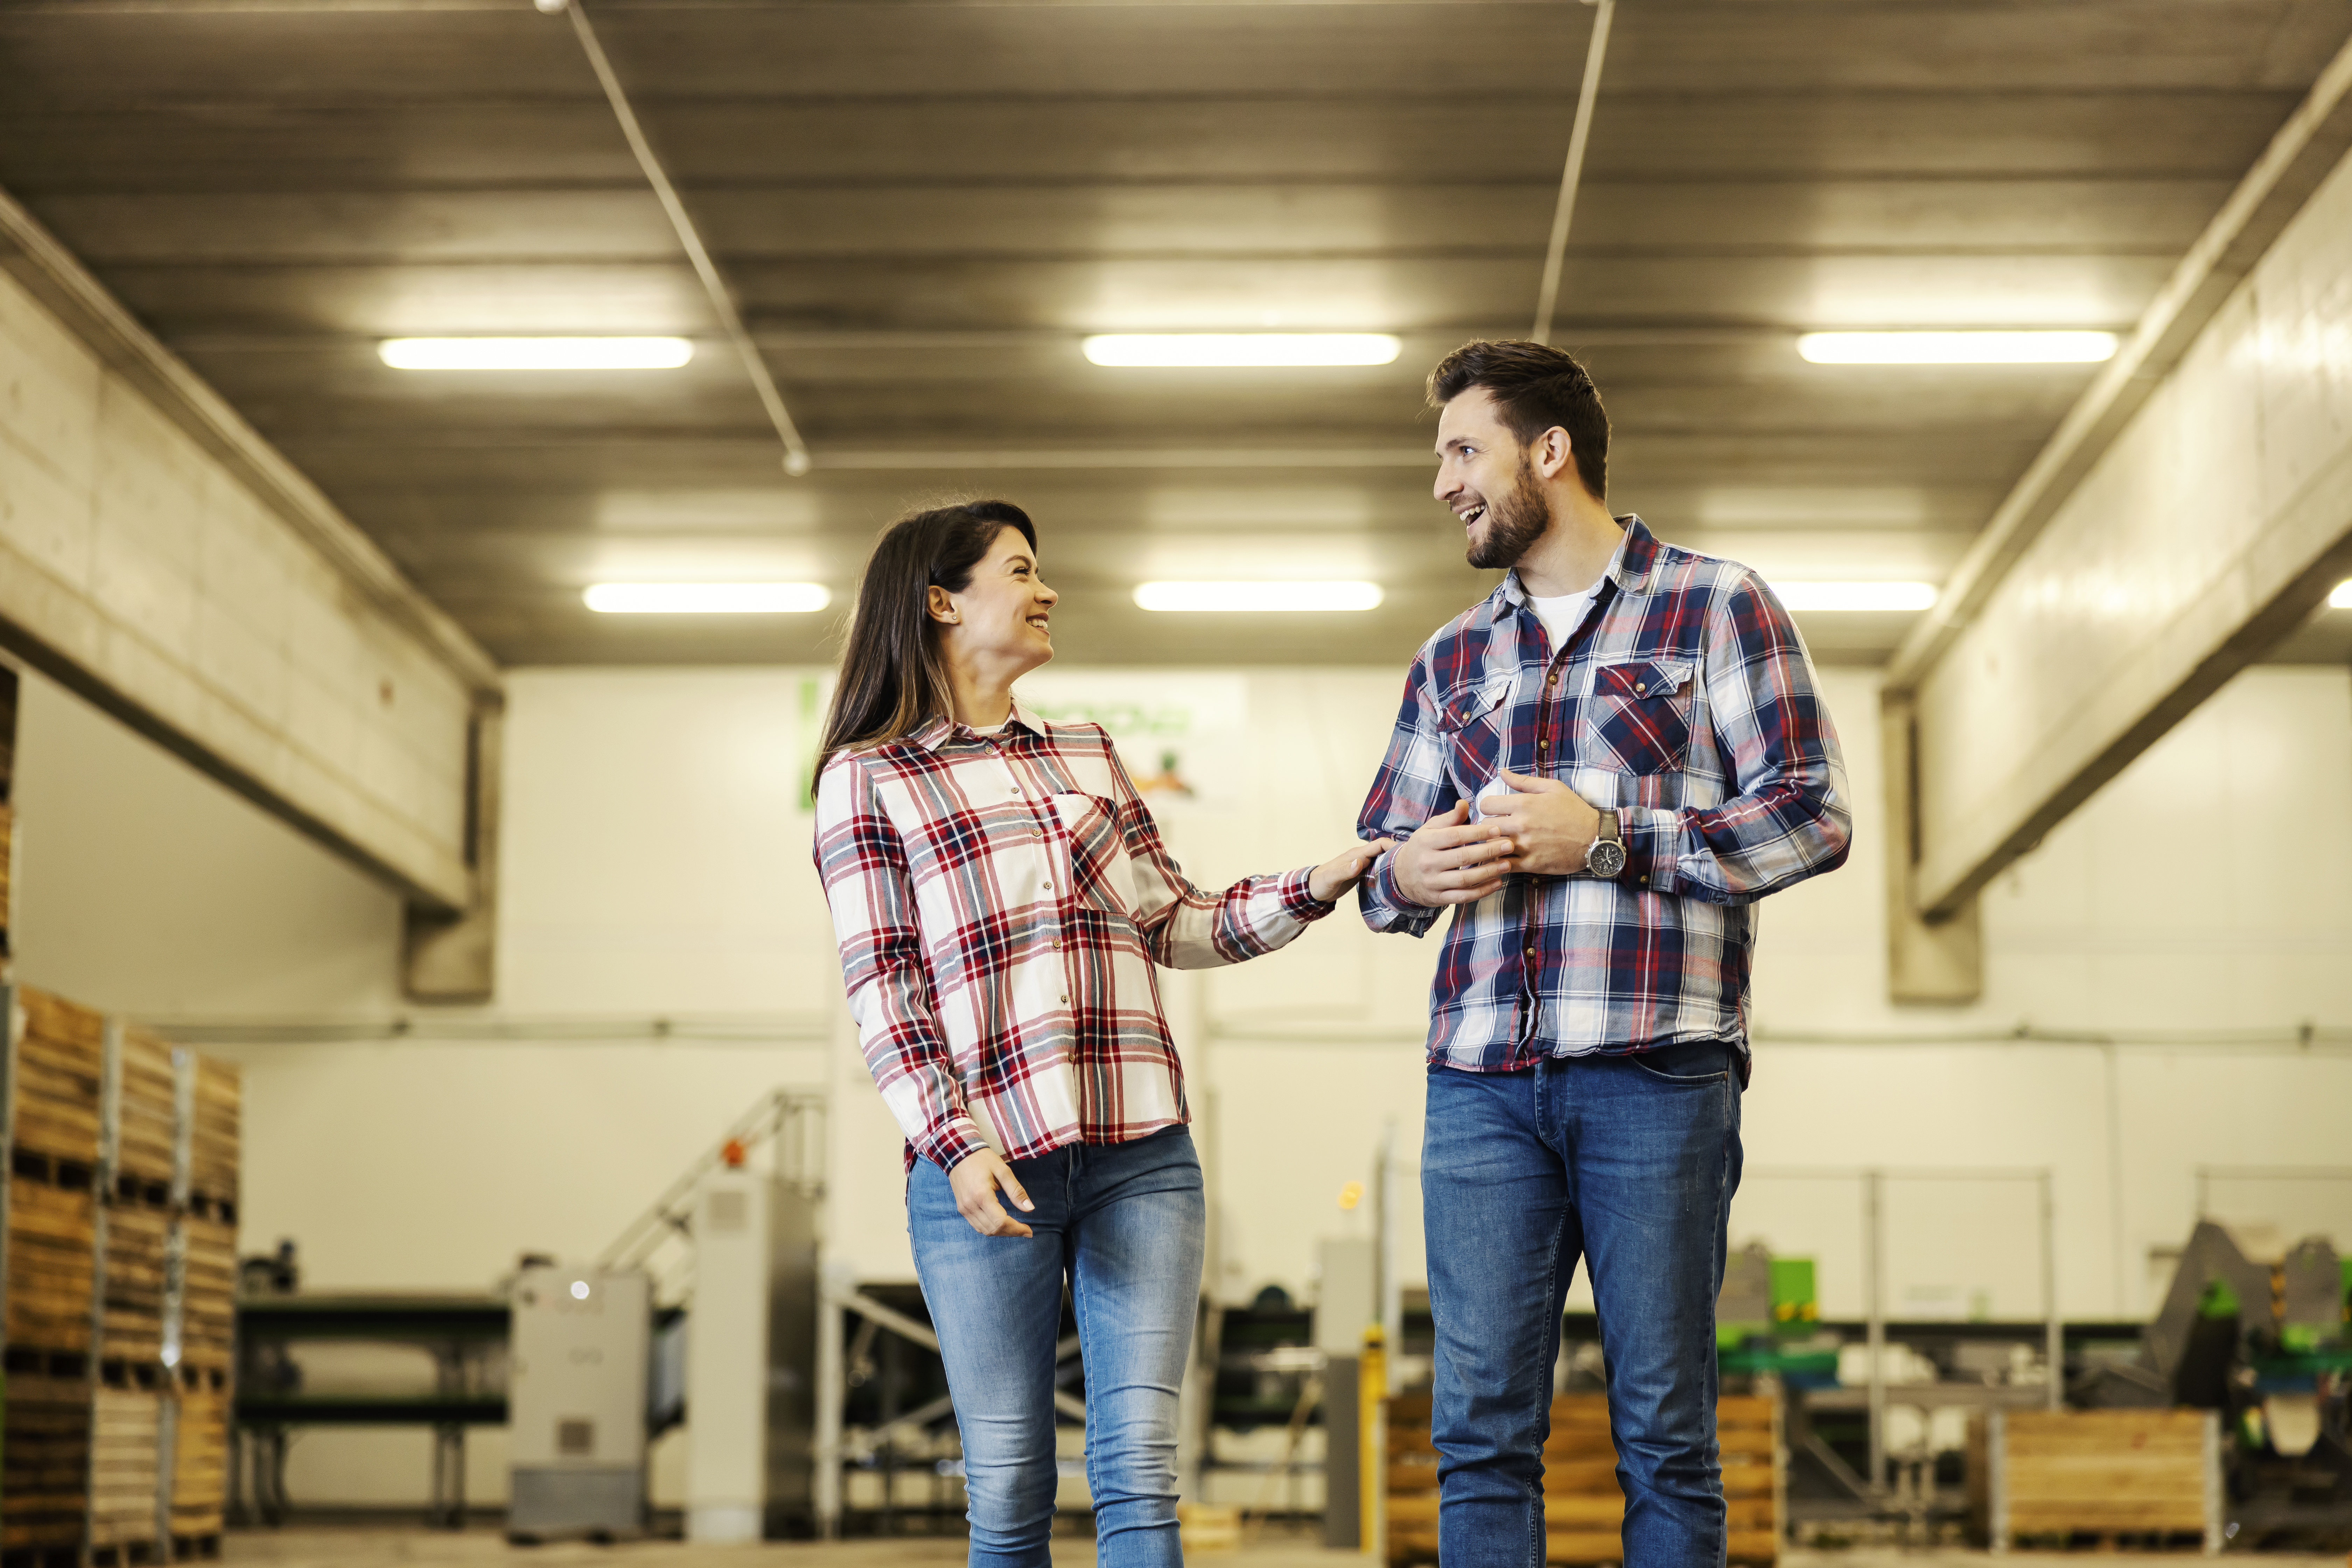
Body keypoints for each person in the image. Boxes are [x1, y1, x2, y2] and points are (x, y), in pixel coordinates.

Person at [813, 499, 1388, 1568]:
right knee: (1012, 1482)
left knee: (1138, 1470)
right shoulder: (870, 778)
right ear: (942, 601)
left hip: (1141, 1158)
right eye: (1021, 569)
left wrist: (1319, 882)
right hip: (985, 1172)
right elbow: (885, 990)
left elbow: (1175, 921)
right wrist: (957, 1142)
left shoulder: (1084, 752)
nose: (1048, 590)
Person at [1354, 342, 1853, 1567]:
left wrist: (1611, 840)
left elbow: (1812, 815)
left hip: (1657, 1072)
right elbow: (1380, 867)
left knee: (1666, 1435)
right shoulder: (1451, 660)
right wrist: (1405, 872)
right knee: (1477, 1437)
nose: (1442, 483)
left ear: (1550, 452)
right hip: (1479, 1085)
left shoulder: (1717, 606)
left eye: (1462, 451)